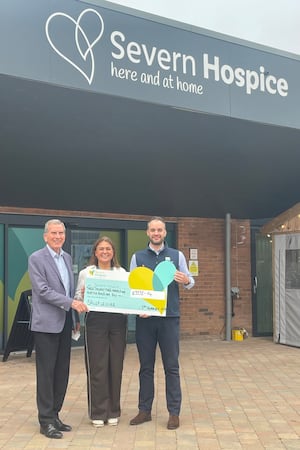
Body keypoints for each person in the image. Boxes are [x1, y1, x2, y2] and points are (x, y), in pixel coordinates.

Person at [129, 216, 195, 430]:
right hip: (145, 321)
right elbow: (132, 288)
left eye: (160, 230)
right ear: (147, 233)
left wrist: (186, 281)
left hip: (169, 319)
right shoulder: (137, 257)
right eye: (152, 230)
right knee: (145, 367)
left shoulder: (177, 255)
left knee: (171, 367)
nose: (156, 233)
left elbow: (189, 281)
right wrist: (140, 309)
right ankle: (144, 410)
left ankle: (174, 413)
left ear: (165, 233)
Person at [28, 219, 89, 439]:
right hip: (46, 325)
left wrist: (74, 317)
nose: (57, 236)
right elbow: (42, 290)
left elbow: (69, 290)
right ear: (45, 236)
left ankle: (55, 415)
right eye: (53, 233)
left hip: (64, 323)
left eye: (61, 233)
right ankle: (45, 421)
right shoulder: (36, 258)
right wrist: (71, 304)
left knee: (62, 371)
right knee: (46, 373)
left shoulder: (67, 257)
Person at [75, 236, 127, 428]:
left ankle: (113, 411)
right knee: (97, 367)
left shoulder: (122, 273)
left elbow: (129, 297)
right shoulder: (86, 273)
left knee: (116, 366)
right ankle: (98, 412)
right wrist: (85, 295)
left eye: (108, 249)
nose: (105, 252)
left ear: (113, 253)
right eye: (101, 249)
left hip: (118, 321)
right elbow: (77, 297)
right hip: (96, 320)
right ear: (95, 253)